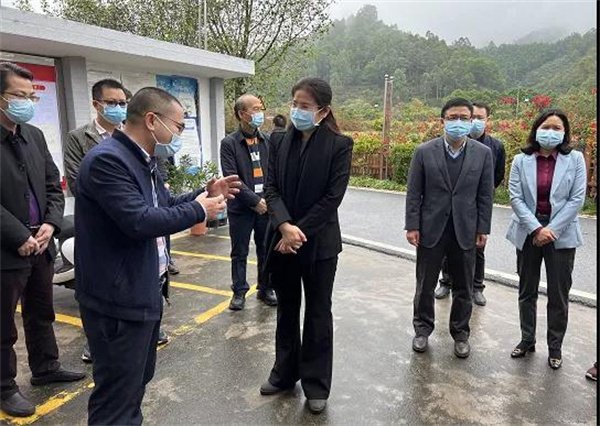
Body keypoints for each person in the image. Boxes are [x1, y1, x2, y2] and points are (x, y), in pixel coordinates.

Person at [75, 86, 240, 425]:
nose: (179, 134)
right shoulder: (109, 160)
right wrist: (200, 210)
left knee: (134, 386)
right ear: (152, 120)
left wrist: (203, 194)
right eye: (178, 126)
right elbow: (139, 221)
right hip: (117, 301)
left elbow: (162, 207)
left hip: (142, 291)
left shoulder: (143, 160)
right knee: (116, 397)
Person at [260, 77, 353, 415]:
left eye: (305, 106)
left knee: (317, 312)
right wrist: (284, 227)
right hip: (282, 241)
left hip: (319, 246)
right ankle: (284, 374)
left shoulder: (340, 145)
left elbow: (332, 198)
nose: (297, 110)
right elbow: (271, 189)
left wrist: (297, 232)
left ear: (323, 111)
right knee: (286, 309)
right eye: (294, 103)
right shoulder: (278, 140)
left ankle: (316, 383)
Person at [0, 62, 85, 418]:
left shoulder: (32, 135)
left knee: (41, 311)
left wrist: (51, 223)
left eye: (30, 96)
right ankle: (4, 387)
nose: (25, 102)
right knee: (3, 323)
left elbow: (53, 183)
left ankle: (46, 367)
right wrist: (19, 235)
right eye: (17, 95)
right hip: (7, 250)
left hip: (42, 242)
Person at [405, 97, 494, 359]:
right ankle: (422, 330)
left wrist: (483, 228)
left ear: (471, 121)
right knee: (425, 284)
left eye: (464, 118)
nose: (458, 122)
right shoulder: (424, 151)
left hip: (465, 229)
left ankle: (461, 333)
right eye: (453, 117)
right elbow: (414, 192)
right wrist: (412, 225)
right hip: (431, 228)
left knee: (464, 286)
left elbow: (485, 195)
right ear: (442, 121)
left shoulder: (483, 153)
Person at [506, 108, 586, 370]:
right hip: (528, 232)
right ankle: (527, 339)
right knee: (526, 290)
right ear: (536, 129)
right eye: (546, 127)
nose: (550, 132)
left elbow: (577, 199)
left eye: (556, 128)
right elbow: (515, 197)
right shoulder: (521, 160)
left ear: (565, 133)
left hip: (561, 234)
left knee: (558, 294)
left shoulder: (575, 159)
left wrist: (551, 229)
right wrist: (536, 229)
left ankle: (555, 347)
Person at [435, 102, 506, 306]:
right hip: (450, 207)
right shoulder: (447, 145)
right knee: (448, 246)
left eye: (480, 118)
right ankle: (446, 282)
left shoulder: (494, 147)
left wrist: (480, 195)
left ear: (487, 120)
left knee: (478, 249)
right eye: (472, 117)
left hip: (475, 207)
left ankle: (477, 287)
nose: (474, 122)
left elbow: (497, 176)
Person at [220, 94, 277, 310]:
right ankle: (239, 291)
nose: (260, 113)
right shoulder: (229, 143)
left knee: (265, 249)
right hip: (241, 209)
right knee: (239, 251)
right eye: (255, 109)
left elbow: (274, 174)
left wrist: (266, 201)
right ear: (242, 114)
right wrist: (254, 201)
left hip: (265, 207)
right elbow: (232, 178)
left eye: (261, 108)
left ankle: (265, 288)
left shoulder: (267, 141)